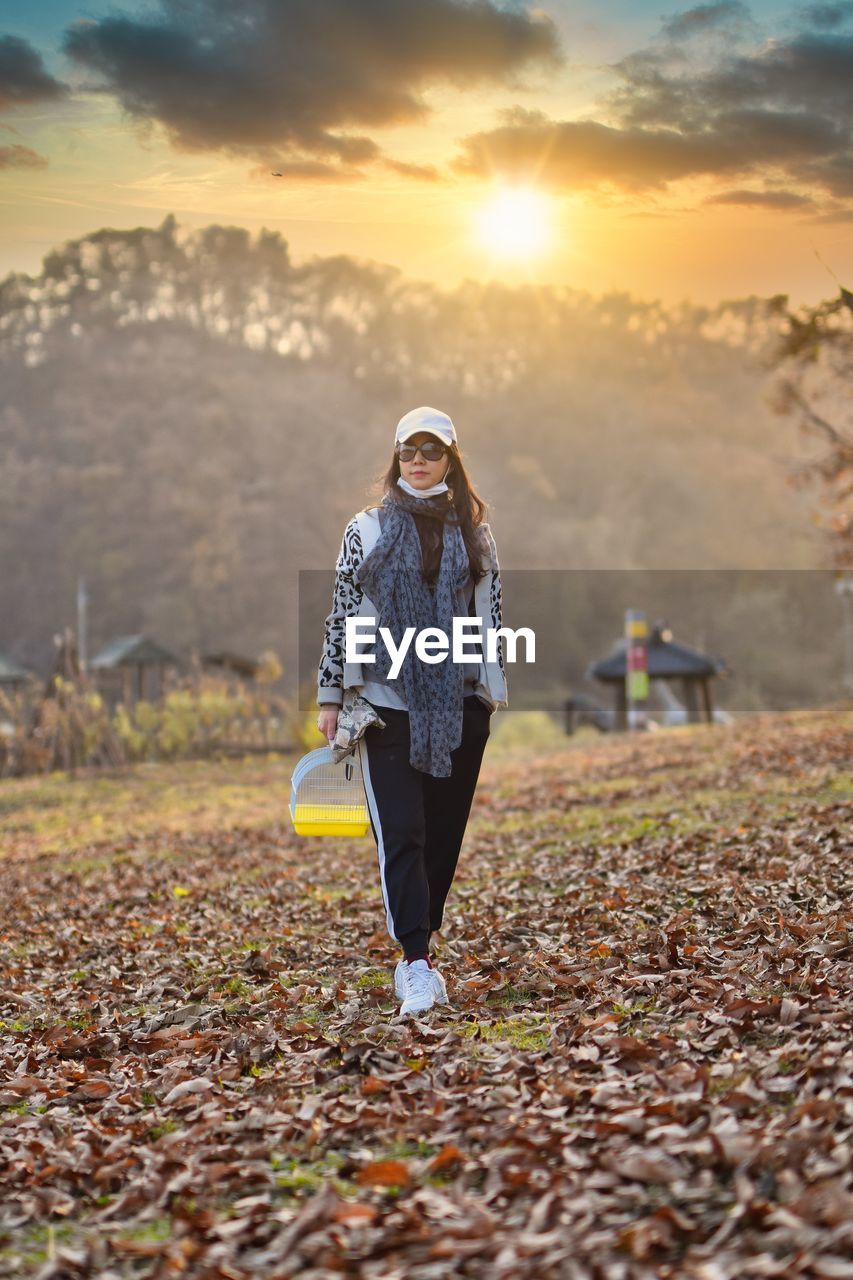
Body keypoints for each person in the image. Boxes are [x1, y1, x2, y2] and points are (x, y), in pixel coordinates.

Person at [316, 406, 508, 1017]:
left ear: (452, 457)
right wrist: (330, 694)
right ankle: (416, 963)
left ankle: (423, 942)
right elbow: (342, 610)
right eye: (408, 451)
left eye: (431, 450)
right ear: (396, 458)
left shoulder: (476, 533)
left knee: (442, 838)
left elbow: (491, 617)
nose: (419, 461)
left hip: (459, 706)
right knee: (403, 831)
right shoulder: (366, 529)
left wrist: (485, 694)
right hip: (383, 703)